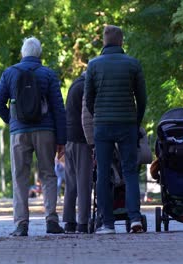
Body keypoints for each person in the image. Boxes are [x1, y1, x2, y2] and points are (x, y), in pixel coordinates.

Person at [0, 36, 66, 236]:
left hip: (19, 132)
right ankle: (51, 219)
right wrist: (61, 140)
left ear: (23, 53)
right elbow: (59, 107)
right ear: (39, 53)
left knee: (19, 176)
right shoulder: (48, 74)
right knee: (48, 174)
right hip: (46, 131)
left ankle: (21, 224)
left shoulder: (10, 73)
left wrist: (12, 120)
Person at [84, 25, 147, 234]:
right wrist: (135, 122)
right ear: (121, 41)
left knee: (103, 173)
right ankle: (135, 218)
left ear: (104, 41)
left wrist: (99, 116)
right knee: (130, 171)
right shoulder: (133, 64)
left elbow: (89, 99)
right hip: (127, 124)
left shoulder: (93, 65)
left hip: (102, 126)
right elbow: (142, 99)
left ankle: (108, 224)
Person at [63, 72, 94, 234]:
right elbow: (87, 115)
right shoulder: (86, 87)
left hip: (69, 138)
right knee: (84, 182)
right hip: (82, 139)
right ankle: (83, 222)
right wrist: (91, 139)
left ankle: (69, 221)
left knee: (71, 182)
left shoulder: (74, 85)